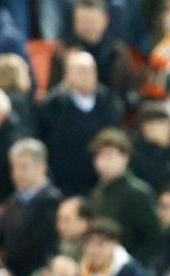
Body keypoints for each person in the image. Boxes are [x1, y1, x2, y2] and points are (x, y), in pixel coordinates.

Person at [36, 49, 122, 198]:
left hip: (102, 182)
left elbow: (117, 137)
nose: (86, 76)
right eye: (81, 71)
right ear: (67, 75)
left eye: (90, 71)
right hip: (65, 183)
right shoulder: (52, 106)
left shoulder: (108, 102)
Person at [85, 129, 162, 266]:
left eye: (109, 156)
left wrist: (133, 264)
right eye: (98, 156)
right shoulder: (96, 194)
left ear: (125, 157)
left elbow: (154, 238)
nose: (102, 163)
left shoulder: (138, 193)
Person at [0, 138, 63, 276]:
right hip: (12, 275)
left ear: (42, 168)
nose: (17, 174)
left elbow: (41, 244)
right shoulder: (13, 200)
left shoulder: (51, 201)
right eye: (14, 168)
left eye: (24, 167)